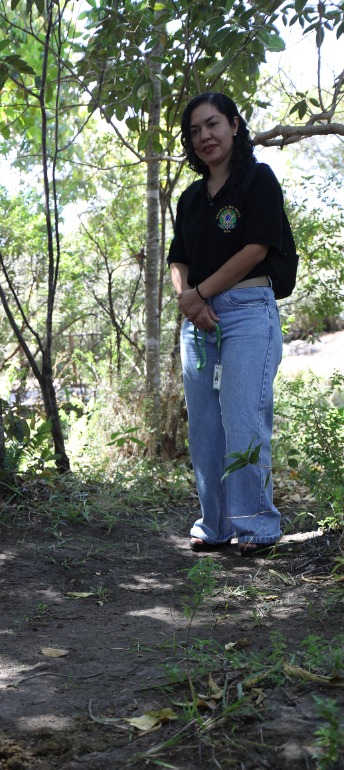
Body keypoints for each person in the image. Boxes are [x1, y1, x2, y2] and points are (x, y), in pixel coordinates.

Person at [168, 92, 284, 556]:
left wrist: (202, 293)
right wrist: (187, 299)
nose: (204, 137)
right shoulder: (191, 198)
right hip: (198, 321)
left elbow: (256, 249)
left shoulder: (258, 180)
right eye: (195, 131)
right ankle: (214, 526)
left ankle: (256, 528)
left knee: (243, 421)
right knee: (206, 431)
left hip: (248, 312)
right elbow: (179, 258)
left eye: (212, 124)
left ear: (235, 125)